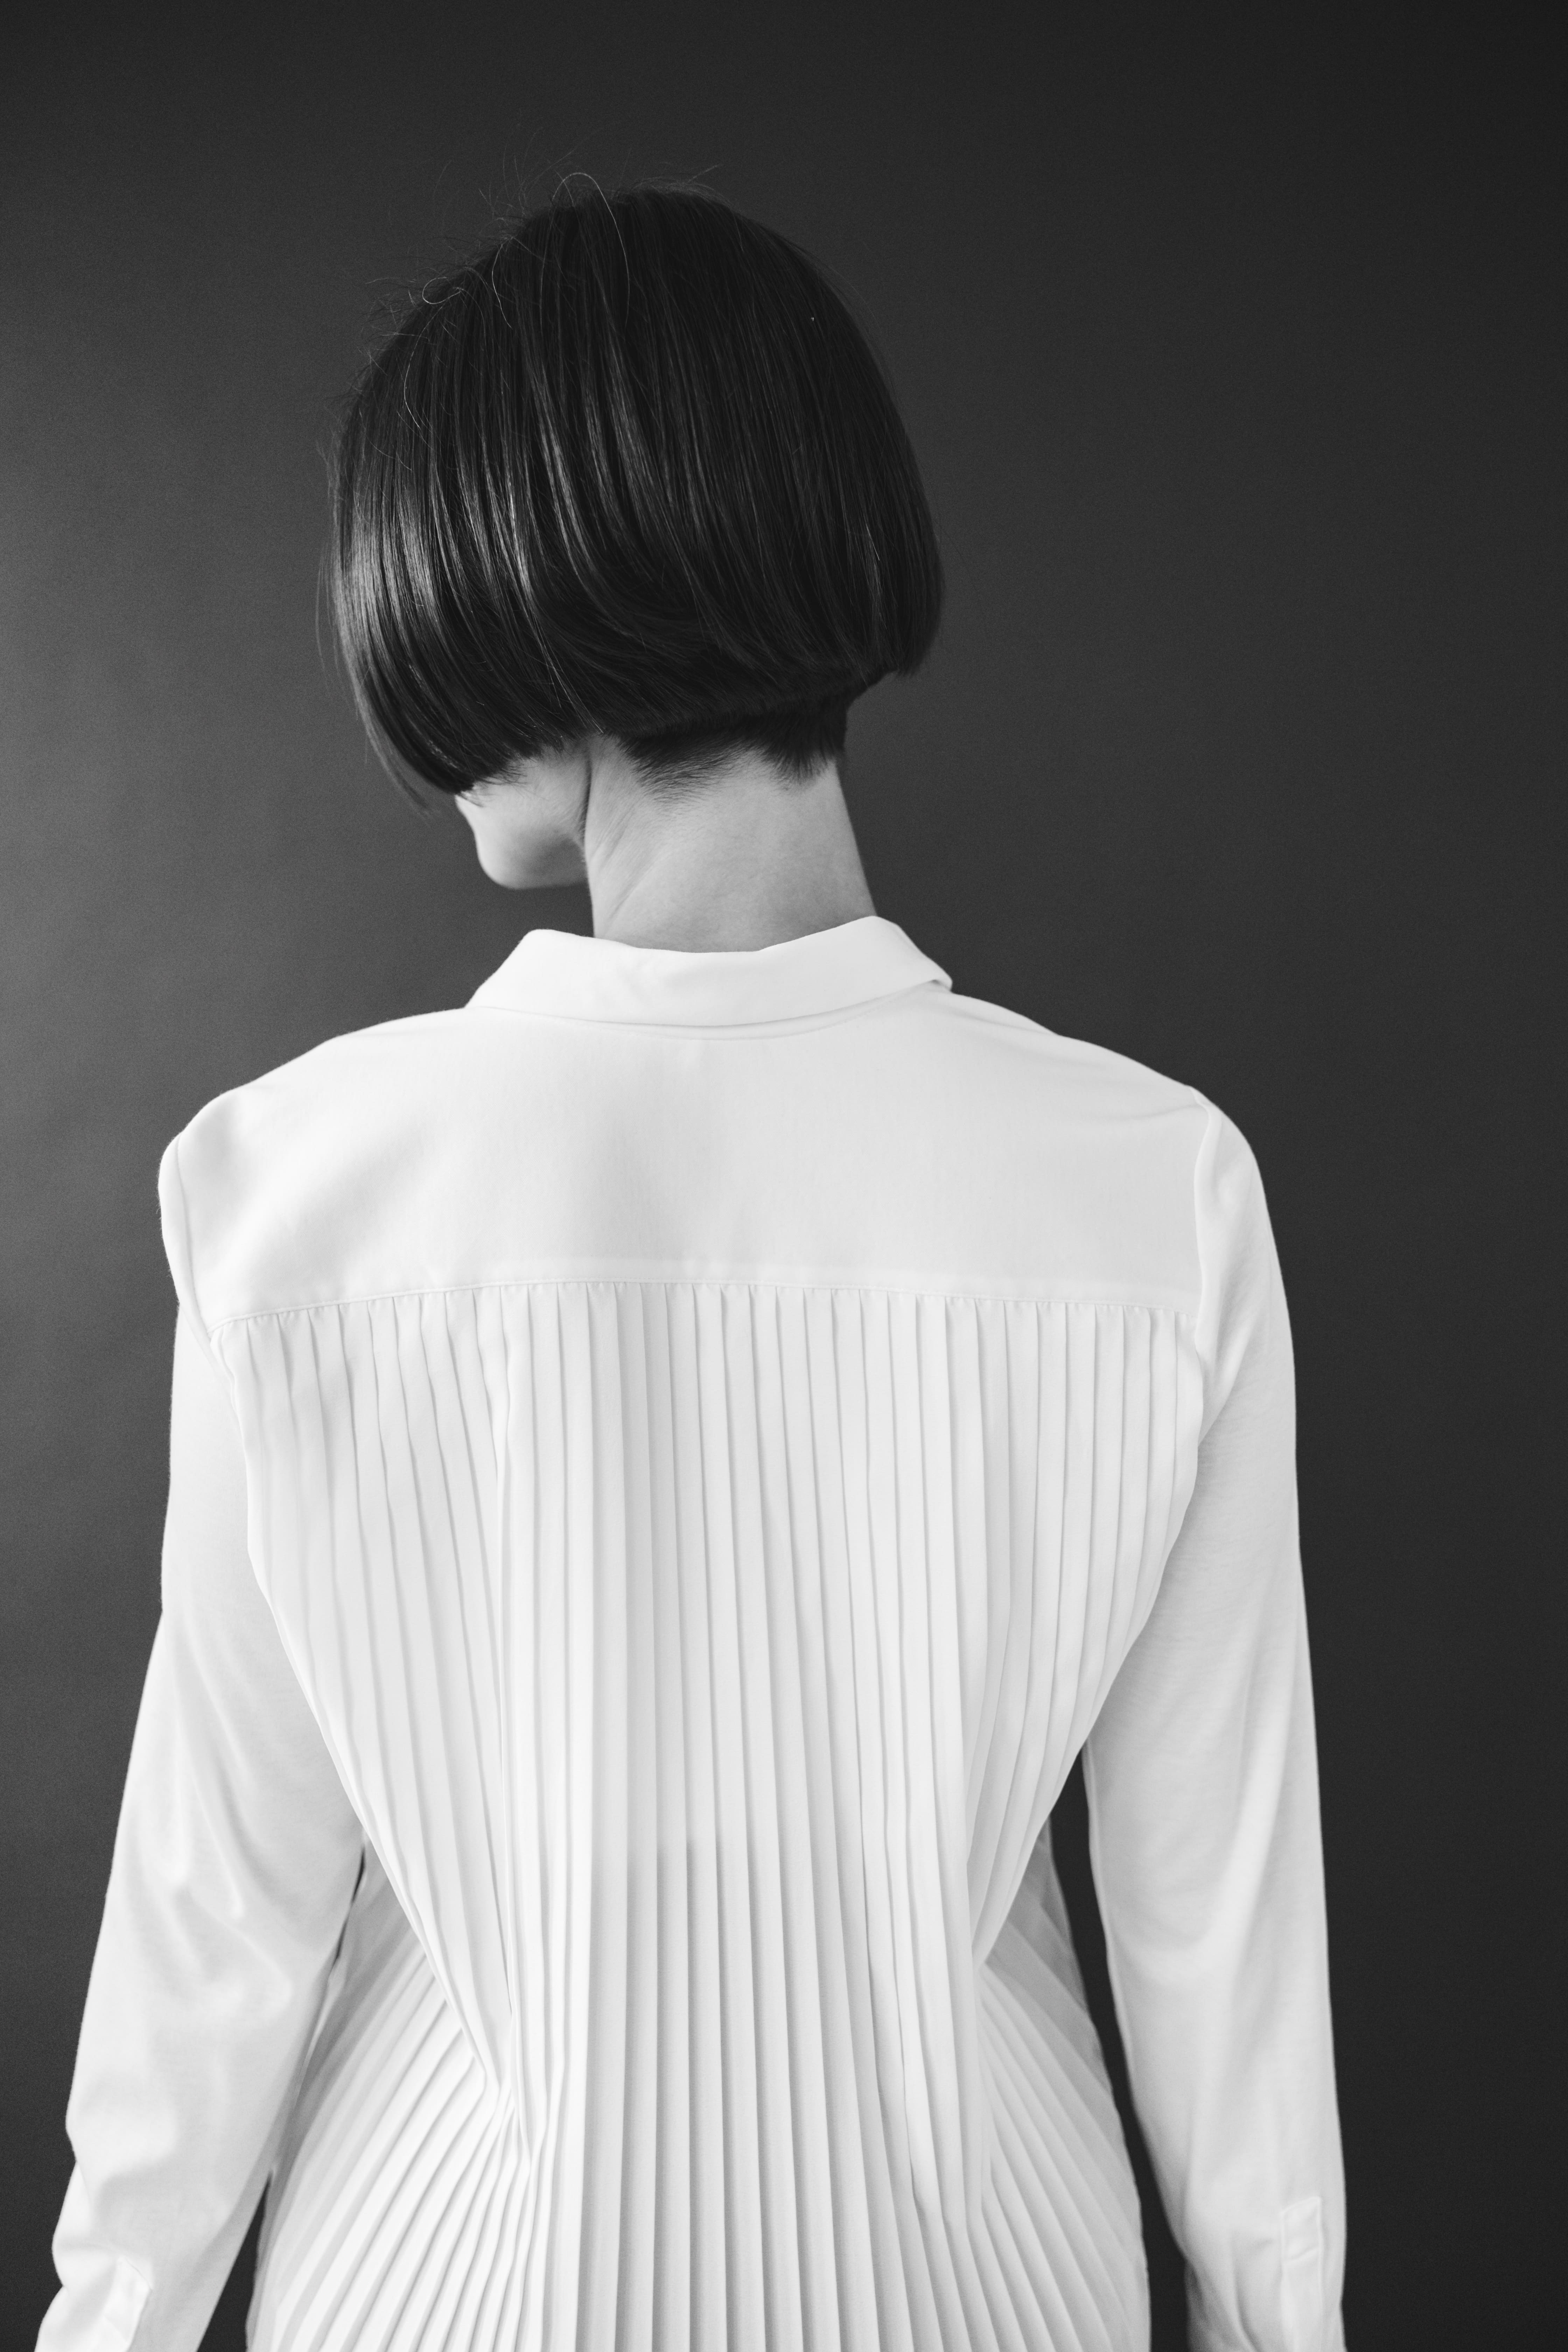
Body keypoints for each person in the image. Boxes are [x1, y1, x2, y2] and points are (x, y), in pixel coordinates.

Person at [38, 182, 1346, 2352]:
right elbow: (1218, 1935)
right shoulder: (1155, 1188)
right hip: (991, 2294)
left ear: (530, 596)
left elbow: (220, 1929)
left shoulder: (291, 1191)